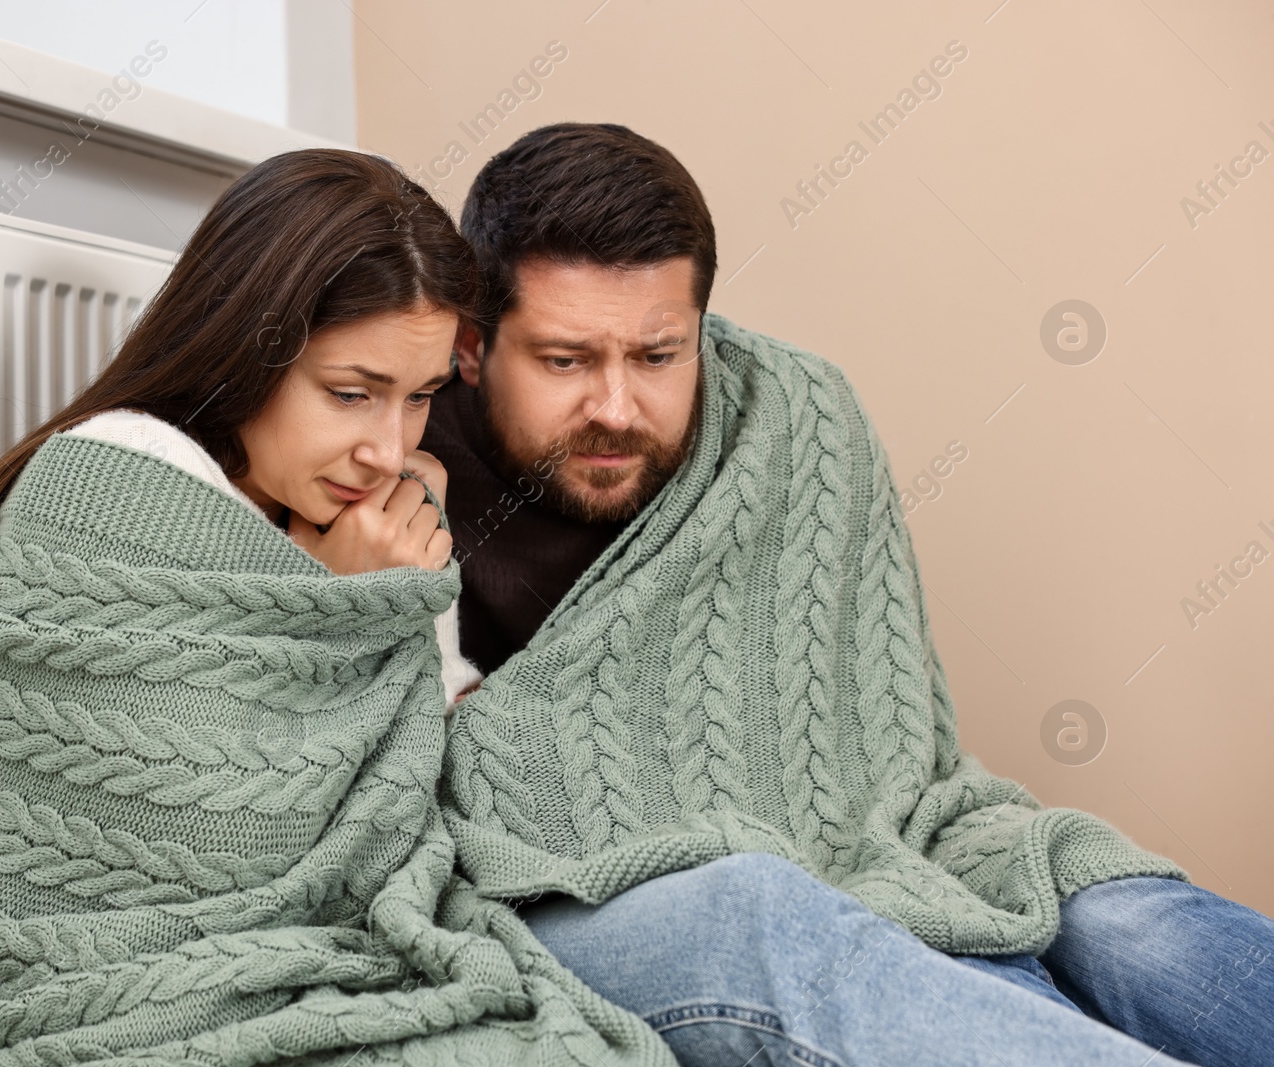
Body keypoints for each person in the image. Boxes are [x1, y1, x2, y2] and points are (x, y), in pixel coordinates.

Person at [415, 123, 1274, 1067]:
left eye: (659, 356)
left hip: (868, 830)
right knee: (761, 907)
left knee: (1121, 911)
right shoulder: (389, 455)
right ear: (470, 343)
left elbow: (884, 754)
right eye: (566, 361)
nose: (617, 407)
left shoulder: (795, 416)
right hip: (562, 887)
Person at [0, 149, 679, 1066]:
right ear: (247, 346)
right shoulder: (113, 484)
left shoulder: (374, 512)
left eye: (419, 400)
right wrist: (342, 607)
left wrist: (378, 606)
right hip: (103, 1001)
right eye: (349, 393)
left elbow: (425, 787)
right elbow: (210, 837)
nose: (385, 447)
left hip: (324, 965)